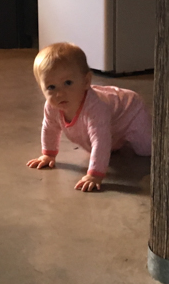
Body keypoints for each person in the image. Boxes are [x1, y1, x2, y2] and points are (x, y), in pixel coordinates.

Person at [27, 42, 152, 192]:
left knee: (146, 149)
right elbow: (50, 128)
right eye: (51, 87)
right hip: (112, 121)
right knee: (103, 143)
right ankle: (117, 139)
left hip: (131, 111)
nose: (60, 93)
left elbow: (100, 140)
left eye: (68, 83)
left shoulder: (96, 108)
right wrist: (48, 154)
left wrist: (95, 175)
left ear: (86, 81)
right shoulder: (51, 106)